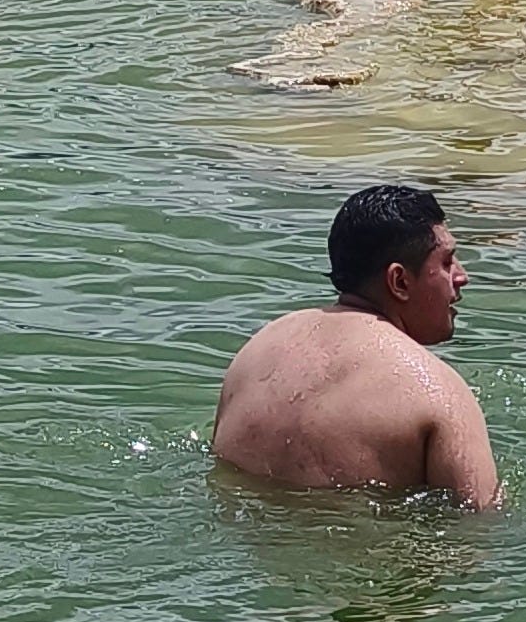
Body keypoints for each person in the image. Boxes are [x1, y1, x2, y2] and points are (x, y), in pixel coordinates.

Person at [210, 183, 501, 508]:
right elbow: (479, 521)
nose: (462, 276)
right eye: (447, 262)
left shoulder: (254, 354)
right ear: (399, 281)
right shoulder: (437, 392)